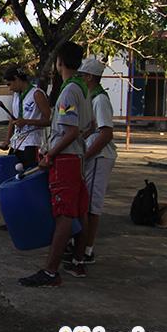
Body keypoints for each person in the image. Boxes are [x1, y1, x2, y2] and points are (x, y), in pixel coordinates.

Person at [19, 42, 92, 288]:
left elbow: (70, 131)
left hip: (66, 159)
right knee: (79, 210)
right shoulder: (83, 89)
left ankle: (51, 271)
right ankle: (78, 260)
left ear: (60, 62)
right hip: (76, 156)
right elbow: (87, 126)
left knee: (64, 215)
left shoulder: (69, 91)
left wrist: (50, 154)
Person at [63, 58, 116, 275]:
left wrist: (85, 156)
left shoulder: (100, 99)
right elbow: (91, 128)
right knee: (83, 205)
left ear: (89, 77)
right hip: (90, 155)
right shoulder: (90, 97)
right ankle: (79, 247)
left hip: (99, 157)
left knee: (92, 206)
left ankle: (86, 251)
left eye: (82, 76)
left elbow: (105, 133)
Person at [0, 66, 50, 169]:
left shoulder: (37, 94)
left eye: (9, 84)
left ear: (17, 79)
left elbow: (49, 121)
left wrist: (27, 122)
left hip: (32, 143)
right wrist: (7, 140)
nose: (10, 88)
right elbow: (12, 119)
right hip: (16, 143)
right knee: (11, 172)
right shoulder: (16, 95)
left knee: (29, 173)